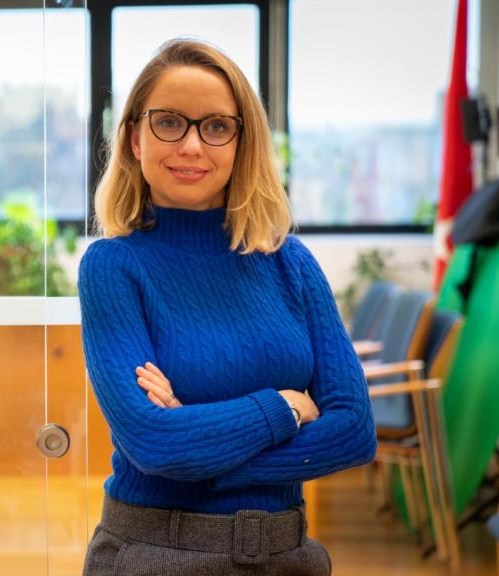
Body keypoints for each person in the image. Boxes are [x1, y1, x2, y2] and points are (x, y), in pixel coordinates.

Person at [78, 38, 376, 575]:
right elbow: (152, 443)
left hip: (290, 553)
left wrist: (199, 447)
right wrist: (284, 407)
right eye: (170, 122)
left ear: (242, 143)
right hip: (156, 554)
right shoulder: (112, 267)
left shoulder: (291, 262)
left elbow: (353, 432)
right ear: (133, 140)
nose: (192, 146)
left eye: (216, 126)